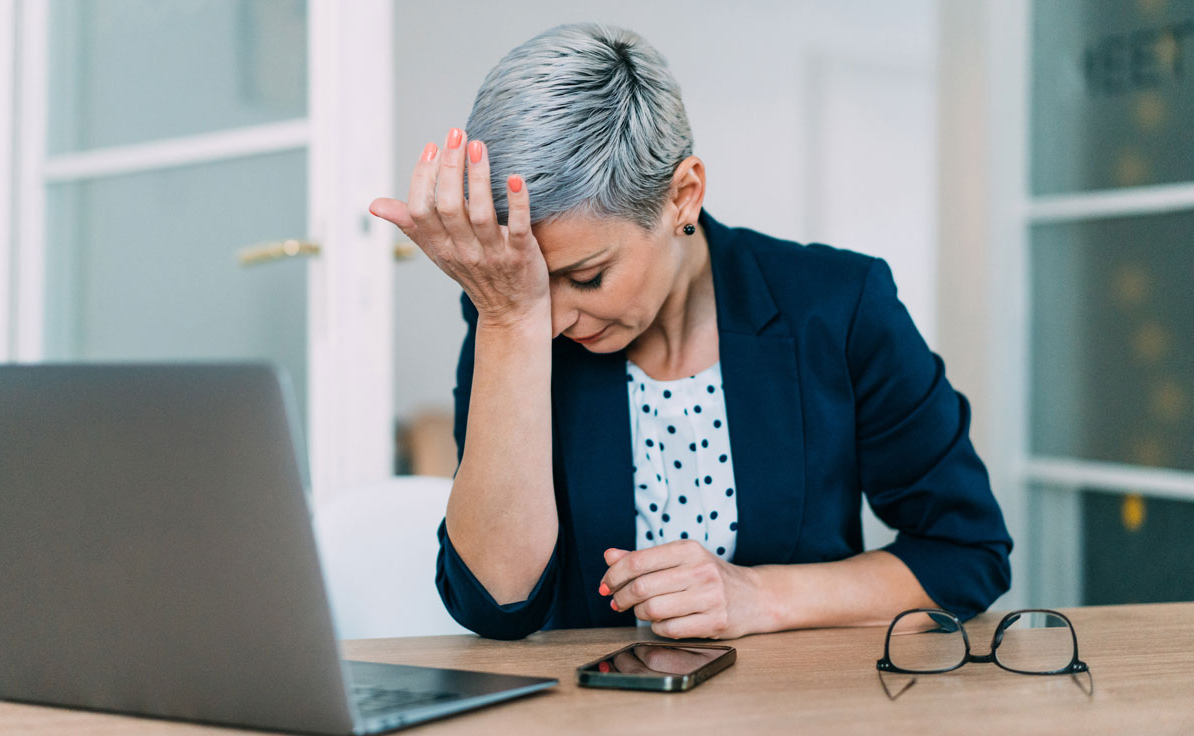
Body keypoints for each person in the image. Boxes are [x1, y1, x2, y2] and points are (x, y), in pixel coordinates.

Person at [369, 22, 1011, 641]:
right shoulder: (514, 315)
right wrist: (509, 322)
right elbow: (496, 605)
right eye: (536, 288)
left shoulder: (838, 305)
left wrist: (759, 596)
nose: (555, 320)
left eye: (587, 277)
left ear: (683, 194)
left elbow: (966, 551)